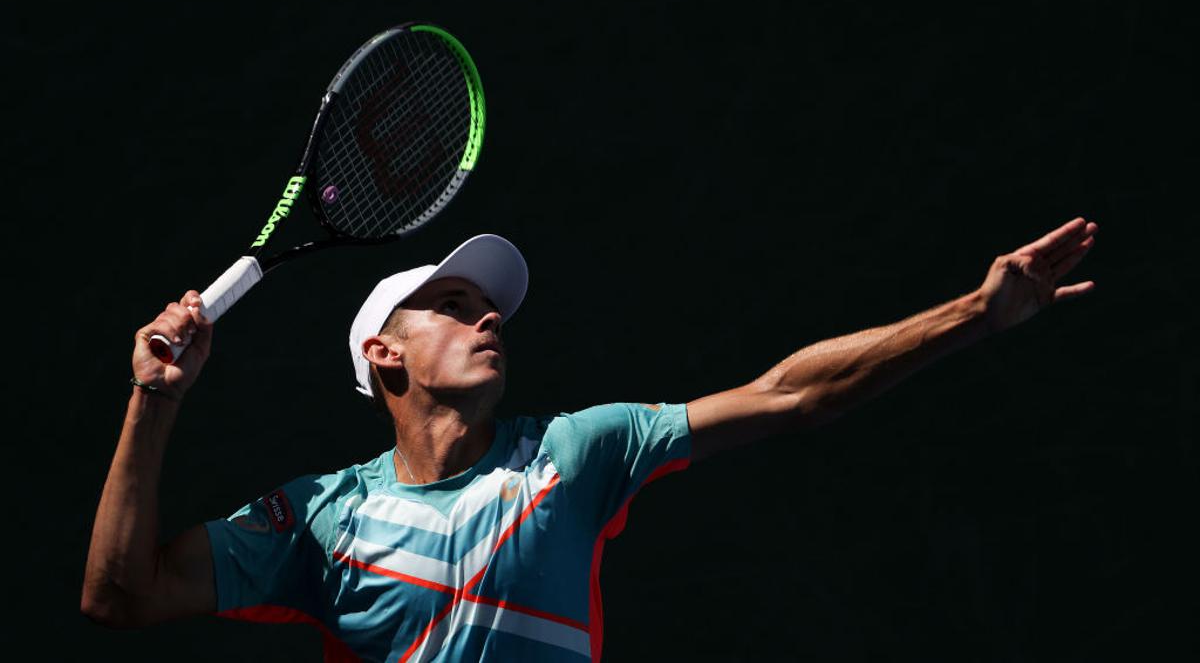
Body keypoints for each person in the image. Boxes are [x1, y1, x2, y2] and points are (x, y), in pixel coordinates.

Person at [82, 219, 1098, 661]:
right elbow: (118, 596)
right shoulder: (316, 521)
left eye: (493, 310)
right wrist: (155, 401)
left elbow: (789, 395)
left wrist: (973, 311)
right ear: (384, 355)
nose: (488, 321)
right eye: (454, 304)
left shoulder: (576, 453)